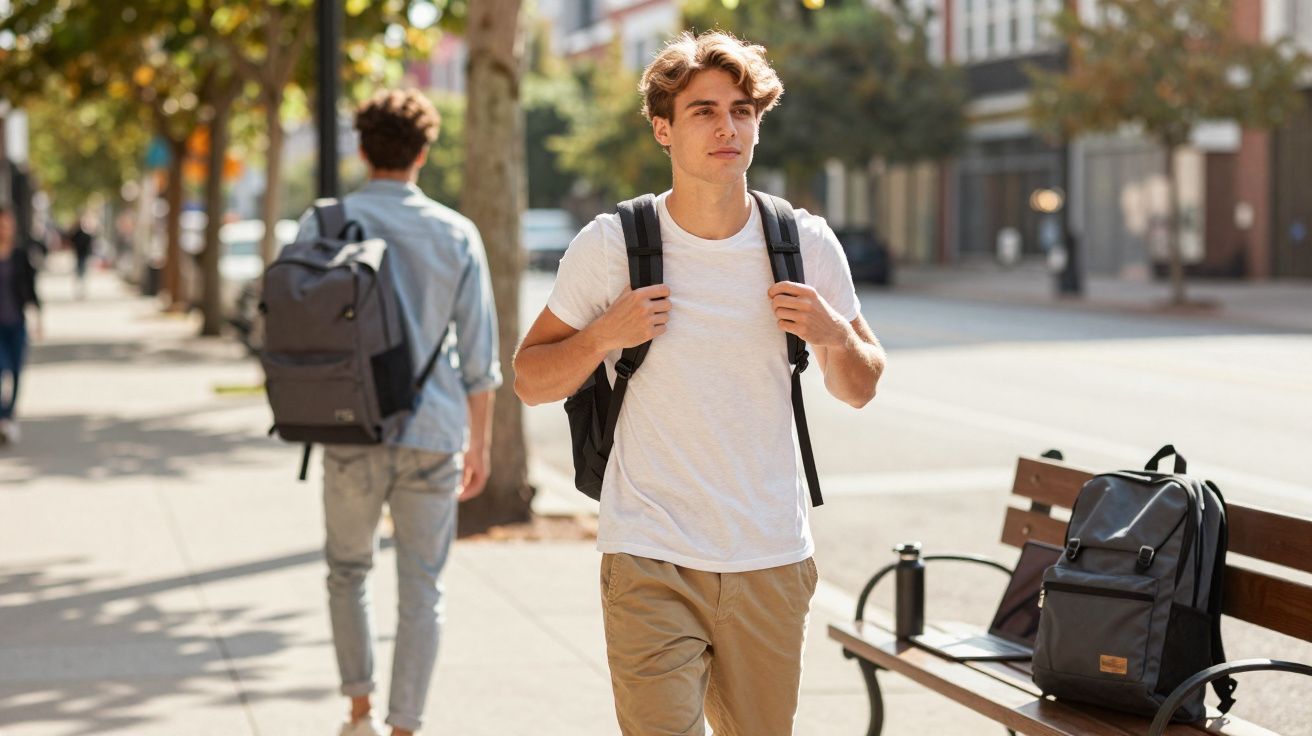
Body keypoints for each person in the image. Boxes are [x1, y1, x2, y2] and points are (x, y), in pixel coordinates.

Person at [513, 31, 886, 736]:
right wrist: (601, 337)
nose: (728, 127)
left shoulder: (803, 243)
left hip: (770, 554)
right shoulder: (612, 245)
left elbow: (862, 386)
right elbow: (530, 377)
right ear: (663, 128)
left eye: (743, 110)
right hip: (650, 553)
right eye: (704, 111)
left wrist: (835, 335)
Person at [295, 90, 502, 736]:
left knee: (347, 570)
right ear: (422, 152)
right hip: (434, 428)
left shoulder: (324, 224)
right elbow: (480, 357)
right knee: (423, 587)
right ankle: (405, 726)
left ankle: (358, 711)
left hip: (346, 423)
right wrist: (481, 444)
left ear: (362, 149)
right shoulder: (455, 233)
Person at [0, 205, 42, 444]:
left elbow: (30, 287)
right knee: (0, 368)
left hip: (16, 323)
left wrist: (38, 317)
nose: (4, 230)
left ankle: (8, 416)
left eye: (7, 225)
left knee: (15, 371)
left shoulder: (19, 255)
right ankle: (2, 416)